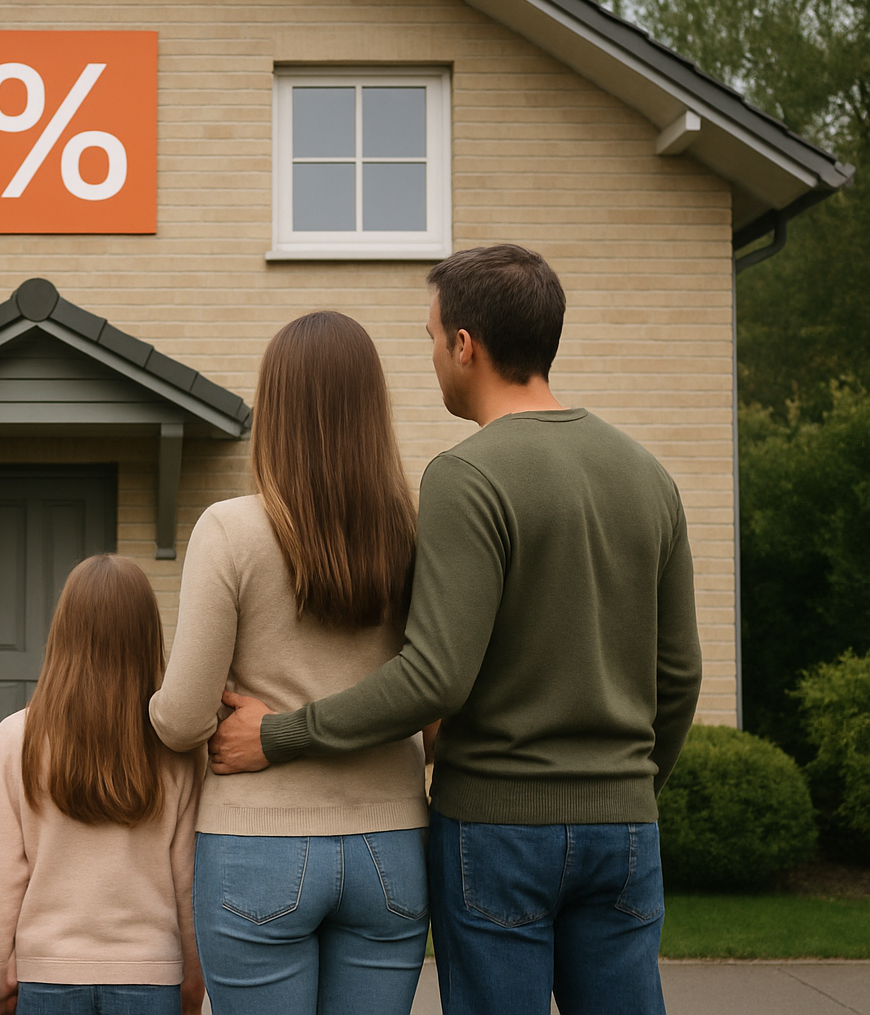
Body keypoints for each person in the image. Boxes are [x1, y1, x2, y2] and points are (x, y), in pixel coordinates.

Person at [209, 244, 705, 1015]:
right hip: (625, 825)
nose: (433, 355)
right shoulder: (650, 477)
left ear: (465, 346)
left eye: (432, 336)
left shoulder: (467, 477)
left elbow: (435, 677)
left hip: (498, 829)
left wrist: (282, 733)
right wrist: (627, 789)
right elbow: (679, 676)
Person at [148, 312, 434, 1015]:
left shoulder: (229, 529)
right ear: (374, 411)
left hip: (256, 849)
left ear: (274, 410)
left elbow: (184, 721)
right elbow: (434, 699)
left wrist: (164, 703)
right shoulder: (415, 530)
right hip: (392, 848)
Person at [0, 553, 203, 1015]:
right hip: (152, 976)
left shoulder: (16, 736)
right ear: (148, 637)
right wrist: (193, 981)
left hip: (46, 976)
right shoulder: (177, 747)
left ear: (63, 633)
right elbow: (189, 880)